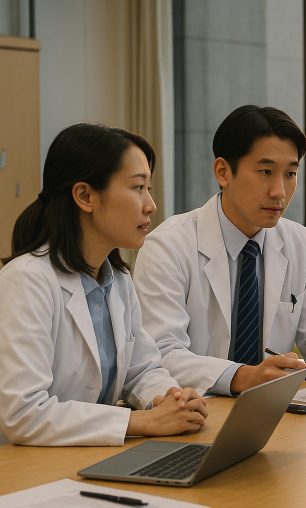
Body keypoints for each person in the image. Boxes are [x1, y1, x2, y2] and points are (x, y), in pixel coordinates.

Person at [133, 105, 306, 396]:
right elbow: (160, 352)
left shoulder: (299, 241)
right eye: (265, 172)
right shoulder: (168, 246)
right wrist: (241, 376)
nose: (280, 191)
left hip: (268, 410)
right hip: (196, 407)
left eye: (290, 174)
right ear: (223, 172)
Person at [0, 124, 208, 446]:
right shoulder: (27, 280)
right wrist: (142, 421)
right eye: (138, 188)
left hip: (91, 457)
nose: (150, 205)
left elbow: (142, 370)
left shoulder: (118, 279)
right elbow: (24, 413)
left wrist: (170, 399)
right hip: (32, 470)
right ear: (85, 196)